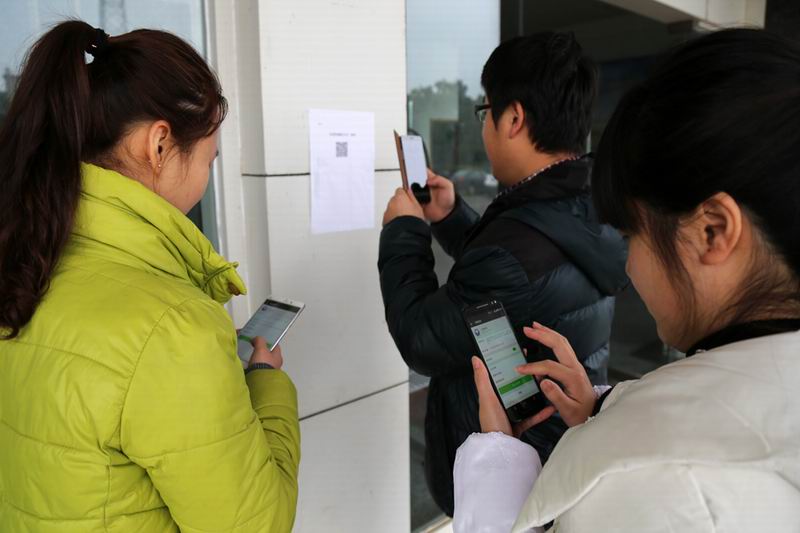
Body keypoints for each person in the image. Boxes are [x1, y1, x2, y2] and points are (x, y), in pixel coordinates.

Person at [454, 28, 800, 532]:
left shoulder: (657, 486)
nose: (630, 266)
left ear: (713, 230)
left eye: (631, 235)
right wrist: (604, 408)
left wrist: (499, 464)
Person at [0, 21, 300, 532]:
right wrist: (265, 382)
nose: (205, 180)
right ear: (159, 144)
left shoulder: (26, 259)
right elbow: (257, 525)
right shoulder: (172, 328)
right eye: (209, 160)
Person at [378, 31, 628, 514]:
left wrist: (403, 231)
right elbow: (516, 280)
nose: (484, 127)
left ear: (513, 118)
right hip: (560, 447)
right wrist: (450, 216)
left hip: (514, 477)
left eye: (485, 111)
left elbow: (420, 336)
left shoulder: (519, 240)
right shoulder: (585, 200)